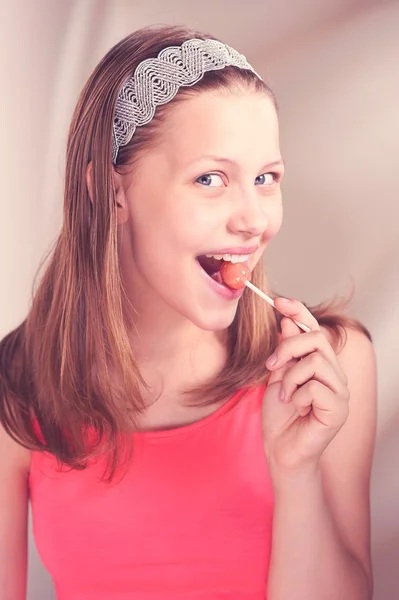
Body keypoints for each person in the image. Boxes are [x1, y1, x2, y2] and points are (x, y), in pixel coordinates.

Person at [0, 25, 377, 600]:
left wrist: (296, 474)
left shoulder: (331, 369)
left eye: (265, 179)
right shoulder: (17, 386)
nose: (254, 219)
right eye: (210, 178)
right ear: (111, 194)